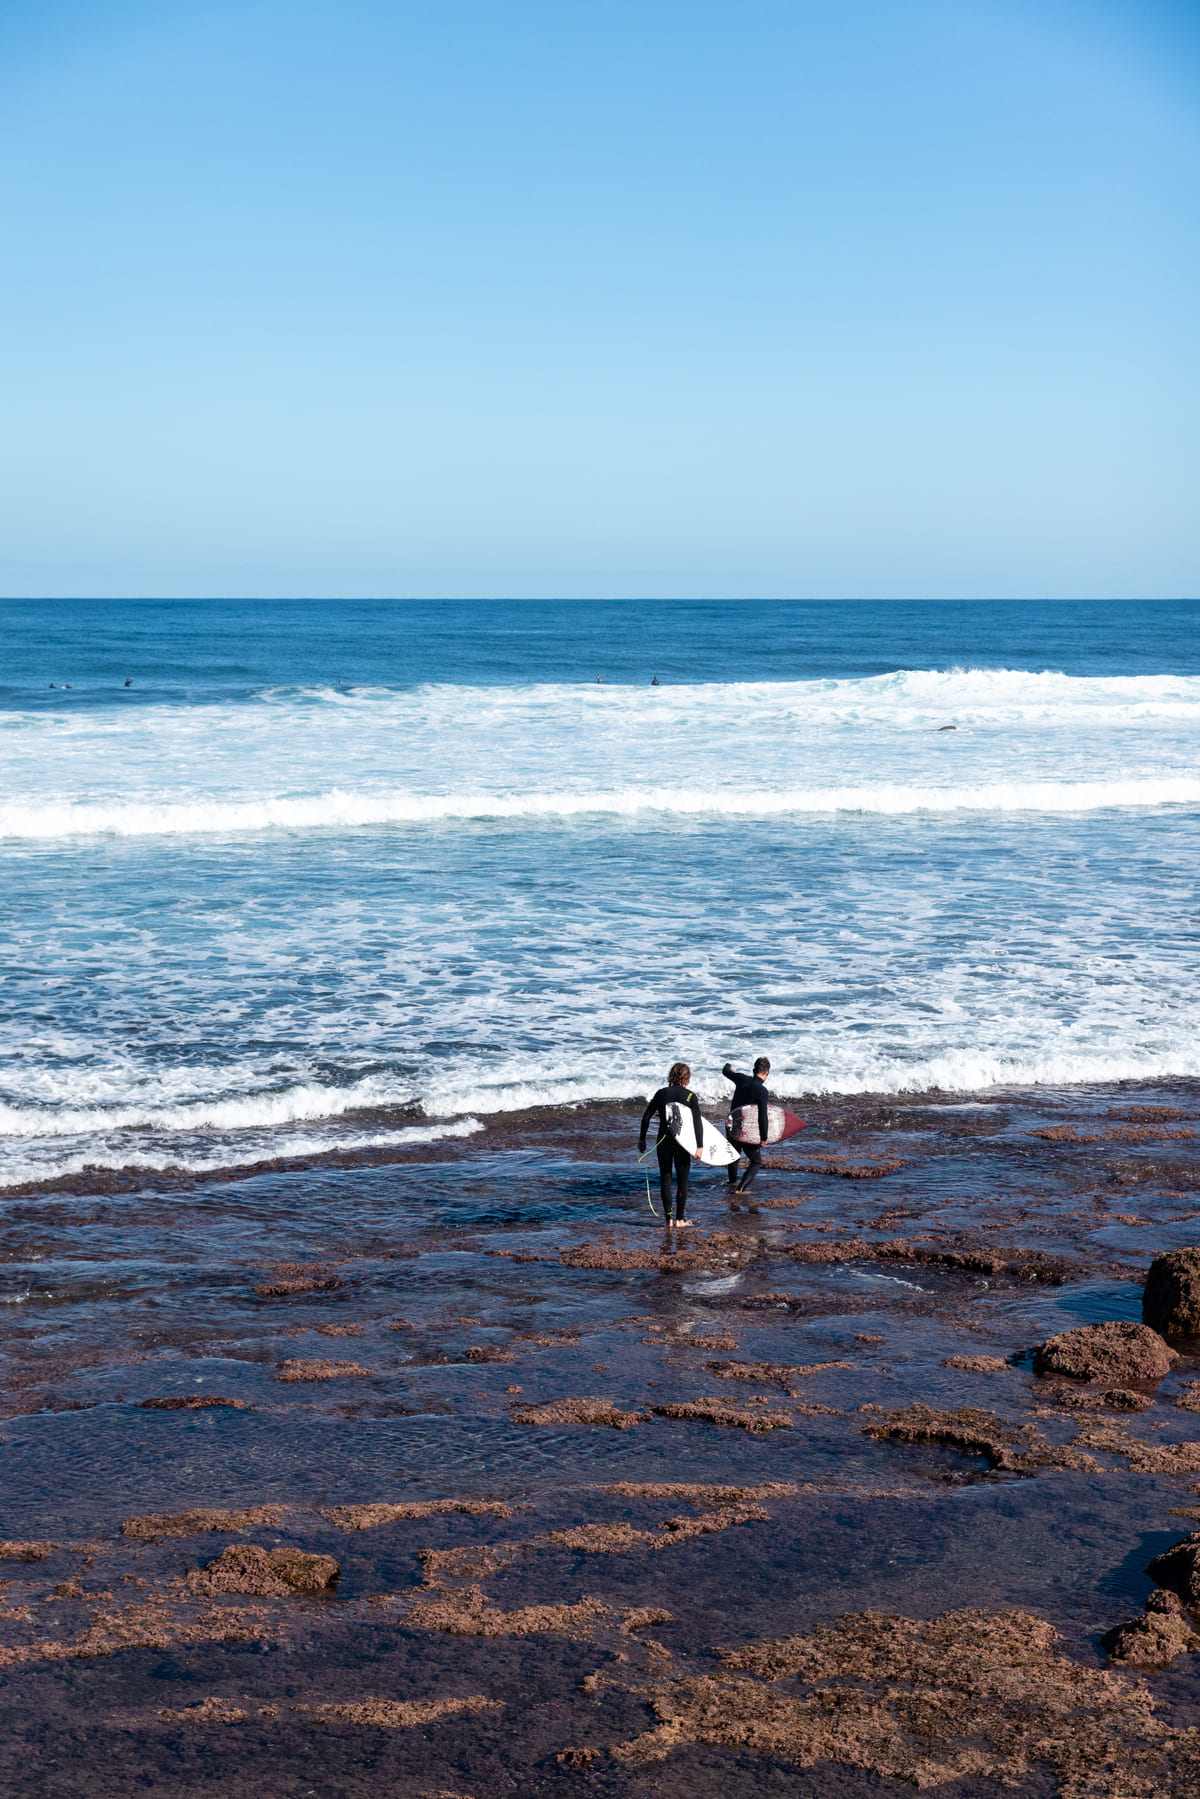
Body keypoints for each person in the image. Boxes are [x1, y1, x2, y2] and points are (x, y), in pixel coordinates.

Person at [638, 1061, 704, 1229]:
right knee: (682, 1181)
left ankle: (668, 1220)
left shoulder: (661, 1094)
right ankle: (680, 1220)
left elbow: (646, 1118)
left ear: (671, 1075)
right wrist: (699, 1147)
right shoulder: (690, 1097)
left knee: (665, 1179)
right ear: (687, 1078)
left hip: (663, 1142)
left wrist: (642, 1139)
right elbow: (698, 1123)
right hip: (683, 1143)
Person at [723, 1057, 771, 1203]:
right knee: (756, 1161)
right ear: (767, 1073)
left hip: (732, 1125)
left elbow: (725, 1071)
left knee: (734, 1156)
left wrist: (728, 1066)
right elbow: (762, 1117)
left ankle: (732, 1183)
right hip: (746, 1130)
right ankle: (740, 1189)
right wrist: (764, 1137)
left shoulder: (741, 1079)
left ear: (753, 1070)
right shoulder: (762, 1091)